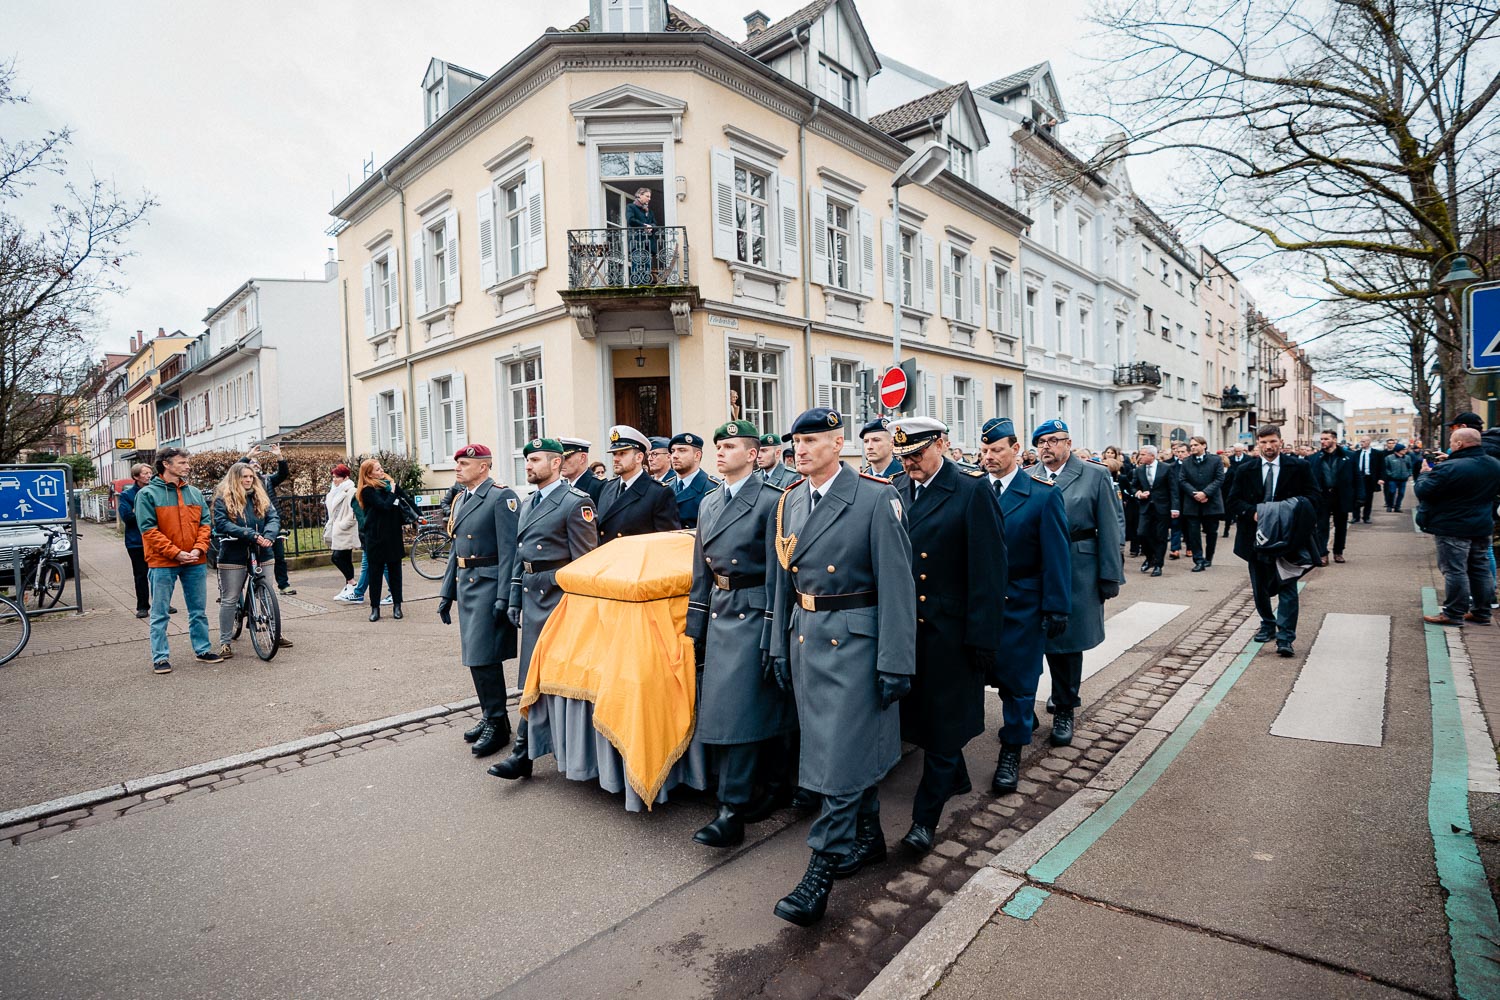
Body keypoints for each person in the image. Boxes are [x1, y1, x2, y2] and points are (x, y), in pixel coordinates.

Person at [763, 406, 915, 926]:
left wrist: (896, 661)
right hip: (807, 640)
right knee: (834, 750)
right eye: (796, 441)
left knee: (840, 760)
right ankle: (869, 838)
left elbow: (899, 586)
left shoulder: (875, 497)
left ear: (839, 442)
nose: (800, 450)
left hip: (854, 644)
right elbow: (784, 585)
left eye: (812, 440)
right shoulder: (790, 503)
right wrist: (780, 647)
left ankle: (819, 873)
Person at [887, 417, 1005, 855]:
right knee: (919, 719)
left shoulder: (972, 491)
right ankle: (954, 772)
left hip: (950, 632)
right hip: (906, 630)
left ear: (941, 444)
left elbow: (990, 575)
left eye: (917, 454)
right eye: (904, 457)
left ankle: (924, 820)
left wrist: (984, 641)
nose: (910, 464)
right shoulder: (896, 488)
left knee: (941, 726)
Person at [685, 420, 794, 847]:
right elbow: (701, 570)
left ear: (752, 454)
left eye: (729, 446)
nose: (720, 451)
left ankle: (731, 810)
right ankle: (759, 789)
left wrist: (772, 630)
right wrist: (695, 626)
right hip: (719, 610)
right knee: (735, 707)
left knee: (742, 710)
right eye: (718, 445)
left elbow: (778, 575)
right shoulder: (710, 502)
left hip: (753, 611)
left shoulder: (772, 501)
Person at [490, 438, 598, 780]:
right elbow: (520, 557)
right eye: (527, 460)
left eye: (535, 459)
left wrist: (554, 588)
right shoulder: (528, 503)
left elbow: (586, 565)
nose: (528, 465)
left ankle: (528, 752)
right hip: (532, 598)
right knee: (533, 679)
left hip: (560, 602)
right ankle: (525, 752)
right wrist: (513, 597)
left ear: (555, 464)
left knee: (556, 679)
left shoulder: (575, 503)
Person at [980, 418, 1070, 791]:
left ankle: (1012, 750)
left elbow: (1057, 556)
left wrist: (1057, 606)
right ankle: (1021, 722)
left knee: (1019, 679)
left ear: (1016, 450)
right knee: (985, 674)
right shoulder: (973, 489)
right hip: (981, 603)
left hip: (1022, 602)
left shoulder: (1042, 494)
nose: (988, 457)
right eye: (984, 451)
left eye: (996, 450)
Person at [1033, 419, 1124, 746]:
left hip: (1078, 567)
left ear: (1068, 443)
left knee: (1067, 644)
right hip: (1037, 570)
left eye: (1053, 440)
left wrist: (1110, 575)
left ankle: (1065, 708)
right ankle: (1024, 704)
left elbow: (1110, 529)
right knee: (1031, 641)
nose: (1046, 446)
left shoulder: (1094, 474)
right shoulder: (1030, 476)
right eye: (1041, 441)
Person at [436, 444, 521, 758]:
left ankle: (498, 723)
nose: (457, 468)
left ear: (483, 466)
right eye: (457, 462)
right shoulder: (462, 498)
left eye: (464, 463)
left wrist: (505, 595)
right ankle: (489, 714)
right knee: (475, 656)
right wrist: (446, 593)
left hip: (488, 585)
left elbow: (511, 550)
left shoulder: (501, 497)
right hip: (467, 585)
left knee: (485, 657)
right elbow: (455, 552)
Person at [1227, 425, 1317, 657]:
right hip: (1255, 537)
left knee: (1288, 585)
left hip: (1287, 537)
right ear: (1258, 443)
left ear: (1281, 442)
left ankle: (1285, 637)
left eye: (1273, 442)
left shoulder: (1299, 467)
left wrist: (1286, 512)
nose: (1269, 447)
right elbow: (1233, 501)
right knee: (1260, 586)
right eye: (1264, 442)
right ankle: (1267, 623)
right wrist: (1253, 513)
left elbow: (1313, 497)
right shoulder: (1246, 469)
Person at [133, 447, 221, 674]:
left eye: (187, 462)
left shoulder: (194, 492)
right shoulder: (147, 494)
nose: (187, 466)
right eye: (182, 462)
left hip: (194, 560)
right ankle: (160, 657)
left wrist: (199, 548)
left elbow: (205, 523)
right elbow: (148, 530)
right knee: (160, 612)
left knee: (198, 610)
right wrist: (176, 553)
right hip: (163, 562)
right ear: (166, 464)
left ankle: (202, 650)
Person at [1417, 427, 1500, 626]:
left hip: (1452, 526)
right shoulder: (1494, 465)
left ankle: (1453, 613)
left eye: (1453, 442)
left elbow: (1424, 491)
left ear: (1460, 444)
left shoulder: (1450, 468)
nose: (1451, 446)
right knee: (1480, 569)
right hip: (1481, 524)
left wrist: (1425, 474)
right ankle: (1482, 612)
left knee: (1455, 570)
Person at [212, 463, 282, 659]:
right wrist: (249, 534)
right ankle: (225, 641)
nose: (249, 480)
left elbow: (273, 517)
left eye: (251, 476)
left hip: (262, 550)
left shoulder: (260, 496)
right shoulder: (223, 499)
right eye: (244, 477)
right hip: (234, 552)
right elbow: (223, 522)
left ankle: (275, 632)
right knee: (230, 598)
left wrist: (268, 535)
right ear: (235, 478)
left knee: (267, 594)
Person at [596, 425, 681, 540]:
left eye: (622, 453)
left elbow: (667, 542)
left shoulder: (659, 493)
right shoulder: (608, 487)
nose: (615, 459)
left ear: (639, 457)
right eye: (614, 454)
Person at [355, 458, 409, 621]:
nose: (381, 471)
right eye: (377, 469)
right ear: (369, 473)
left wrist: (418, 516)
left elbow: (406, 499)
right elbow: (384, 506)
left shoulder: (389, 484)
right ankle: (375, 608)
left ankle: (397, 606)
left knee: (395, 573)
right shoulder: (367, 490)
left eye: (381, 468)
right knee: (375, 574)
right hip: (375, 537)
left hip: (393, 535)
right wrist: (392, 493)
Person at [242, 444, 295, 595]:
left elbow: (283, 473)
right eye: (252, 465)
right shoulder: (240, 485)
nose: (255, 467)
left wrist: (279, 456)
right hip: (251, 524)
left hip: (270, 524)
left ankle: (283, 585)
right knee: (253, 558)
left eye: (257, 465)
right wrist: (249, 455)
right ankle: (255, 586)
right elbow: (234, 471)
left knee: (279, 556)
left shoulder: (267, 480)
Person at [1175, 435, 1226, 572]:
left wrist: (1205, 493)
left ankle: (1208, 557)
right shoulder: (1186, 462)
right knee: (1193, 533)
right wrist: (1195, 494)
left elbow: (1219, 478)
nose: (1193, 448)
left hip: (1211, 502)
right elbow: (1182, 480)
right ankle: (1198, 560)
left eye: (1195, 445)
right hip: (1192, 503)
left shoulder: (1215, 460)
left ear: (1204, 445)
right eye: (1191, 446)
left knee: (1211, 532)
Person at [1307, 430, 1357, 565]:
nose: (1322, 441)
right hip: (1322, 497)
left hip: (1341, 496)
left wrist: (1359, 496)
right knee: (1321, 526)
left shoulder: (1349, 457)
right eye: (1321, 439)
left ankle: (1338, 552)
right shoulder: (1314, 458)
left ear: (1334, 440)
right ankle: (1322, 553)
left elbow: (1357, 477)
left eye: (1326, 439)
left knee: (1341, 526)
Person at [118, 463, 158, 619]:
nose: (149, 475)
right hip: (136, 541)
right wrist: (149, 514)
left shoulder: (156, 492)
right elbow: (127, 517)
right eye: (145, 473)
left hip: (155, 539)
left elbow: (162, 514)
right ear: (136, 477)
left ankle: (162, 603)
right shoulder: (127, 495)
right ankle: (142, 606)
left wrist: (139, 512)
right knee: (141, 575)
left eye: (150, 472)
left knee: (159, 573)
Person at [1131, 445, 1174, 576]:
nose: (1140, 457)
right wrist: (1138, 493)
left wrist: (1175, 508)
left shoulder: (1166, 468)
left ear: (1152, 456)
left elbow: (1173, 489)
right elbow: (1133, 487)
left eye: (1143, 454)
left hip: (1162, 507)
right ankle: (1150, 558)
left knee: (1160, 536)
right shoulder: (1139, 470)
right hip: (1146, 507)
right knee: (1141, 533)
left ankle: (1158, 564)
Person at [669, 432, 719, 529]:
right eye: (673, 451)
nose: (674, 455)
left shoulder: (713, 488)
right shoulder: (665, 487)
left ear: (697, 455)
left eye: (682, 451)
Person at [324, 464, 359, 601]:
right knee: (345, 558)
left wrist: (343, 525)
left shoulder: (351, 491)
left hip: (345, 530)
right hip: (339, 530)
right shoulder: (334, 491)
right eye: (333, 477)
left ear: (346, 477)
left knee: (337, 557)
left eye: (338, 477)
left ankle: (352, 583)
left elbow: (354, 512)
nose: (335, 480)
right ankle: (349, 586)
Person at [858, 417, 907, 483]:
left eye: (876, 440)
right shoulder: (862, 478)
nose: (869, 447)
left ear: (892, 444)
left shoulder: (905, 476)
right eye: (866, 441)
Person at [626, 186, 657, 285]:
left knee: (647, 263)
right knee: (637, 262)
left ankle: (646, 283)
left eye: (650, 197)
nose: (649, 199)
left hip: (648, 242)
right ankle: (636, 284)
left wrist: (651, 226)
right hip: (637, 240)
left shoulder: (650, 211)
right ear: (640, 195)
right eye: (647, 196)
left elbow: (654, 223)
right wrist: (644, 225)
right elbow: (630, 220)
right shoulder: (631, 207)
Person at [560, 439, 606, 504]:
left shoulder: (599, 485)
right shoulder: (562, 486)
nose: (561, 463)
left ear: (582, 458)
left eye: (566, 458)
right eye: (560, 459)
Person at [1164, 441, 1189, 559]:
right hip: (1175, 499)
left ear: (1188, 453)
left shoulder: (1192, 465)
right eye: (1178, 452)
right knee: (1175, 524)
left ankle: (1190, 547)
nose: (1180, 454)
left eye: (1182, 452)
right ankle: (1175, 549)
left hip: (1189, 499)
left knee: (1189, 526)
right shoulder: (1171, 467)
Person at [1355, 438, 1383, 524]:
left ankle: (1366, 517)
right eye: (1361, 441)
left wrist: (1381, 478)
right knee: (1356, 497)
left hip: (1369, 478)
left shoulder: (1377, 453)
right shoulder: (1356, 453)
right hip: (1358, 478)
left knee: (1368, 498)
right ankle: (1355, 517)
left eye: (1363, 441)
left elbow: (1381, 467)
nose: (1362, 443)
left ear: (1369, 442)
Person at [1383, 441, 1413, 512]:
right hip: (1393, 479)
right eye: (1403, 449)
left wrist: (1408, 473)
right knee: (1392, 492)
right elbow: (1386, 468)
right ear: (1398, 450)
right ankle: (1390, 506)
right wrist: (1390, 474)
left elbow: (1410, 467)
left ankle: (1397, 507)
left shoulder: (1407, 458)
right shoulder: (1389, 458)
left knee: (1401, 493)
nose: (1405, 451)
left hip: (1403, 479)